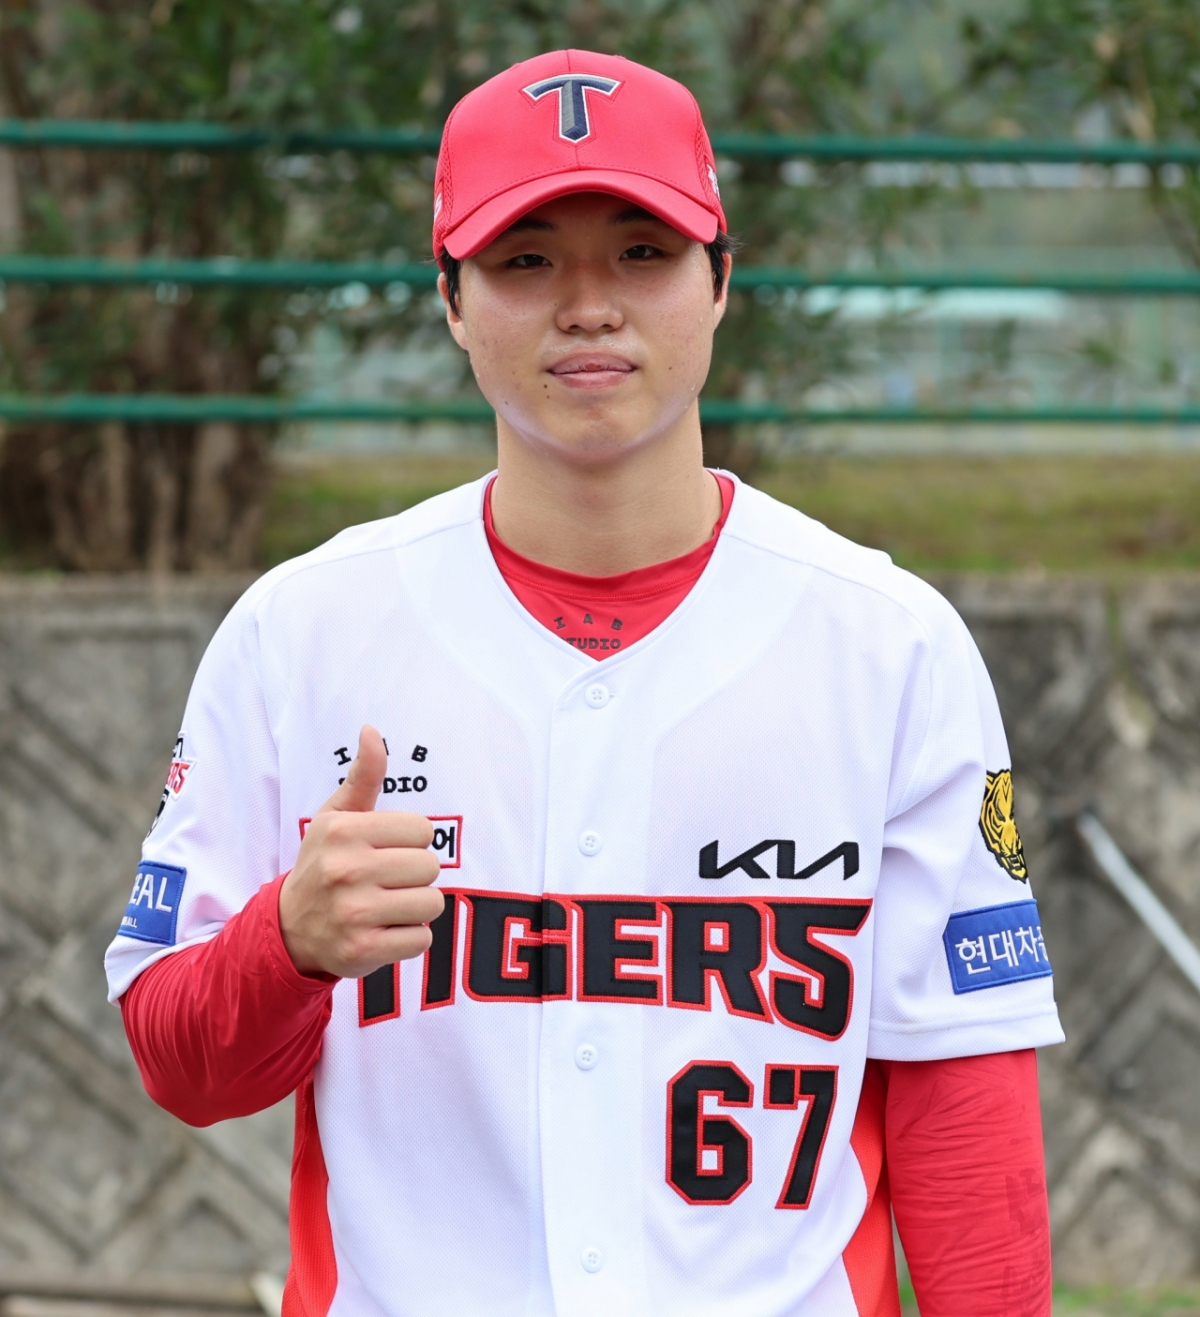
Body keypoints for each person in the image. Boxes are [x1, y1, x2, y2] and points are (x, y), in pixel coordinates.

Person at [106, 49, 1063, 1317]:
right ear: (451, 300)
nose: (589, 306)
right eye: (525, 260)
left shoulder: (891, 646)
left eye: (642, 253)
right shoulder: (303, 631)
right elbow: (180, 1066)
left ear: (721, 282)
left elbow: (965, 1119)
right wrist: (285, 943)